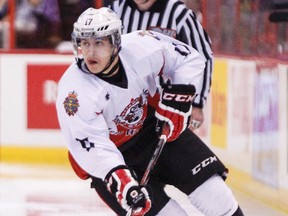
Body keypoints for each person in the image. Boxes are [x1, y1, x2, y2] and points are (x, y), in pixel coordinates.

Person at [56, 7, 244, 216]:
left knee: (218, 199)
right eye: (85, 43)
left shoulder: (141, 46)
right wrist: (122, 182)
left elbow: (188, 58)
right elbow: (91, 146)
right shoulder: (74, 92)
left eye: (99, 42)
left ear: (115, 42)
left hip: (157, 131)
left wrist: (179, 96)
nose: (90, 51)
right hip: (117, 157)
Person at [107, 0, 213, 131]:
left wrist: (197, 104)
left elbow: (202, 56)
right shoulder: (115, 10)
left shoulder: (178, 13)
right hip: (122, 107)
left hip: (165, 106)